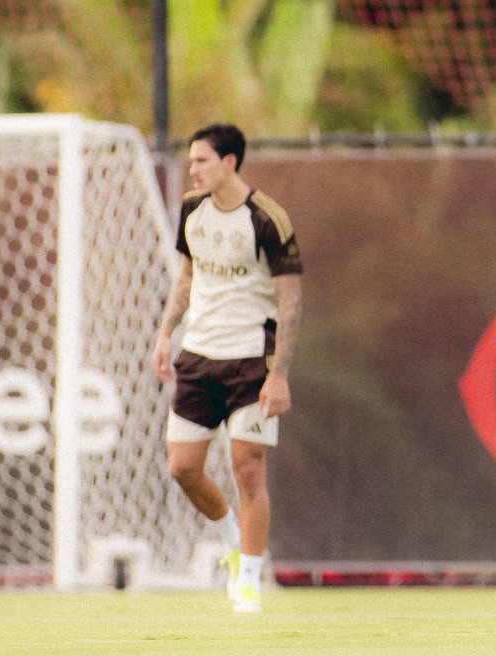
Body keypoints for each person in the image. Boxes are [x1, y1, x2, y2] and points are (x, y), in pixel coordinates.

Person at [152, 123, 303, 613]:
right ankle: (236, 544)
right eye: (191, 161)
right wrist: (164, 333)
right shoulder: (193, 210)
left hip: (251, 362)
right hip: (198, 357)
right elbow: (187, 276)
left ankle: (250, 583)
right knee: (183, 468)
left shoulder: (268, 219)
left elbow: (292, 303)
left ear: (230, 162)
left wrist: (278, 374)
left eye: (201, 161)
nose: (192, 169)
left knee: (248, 469)